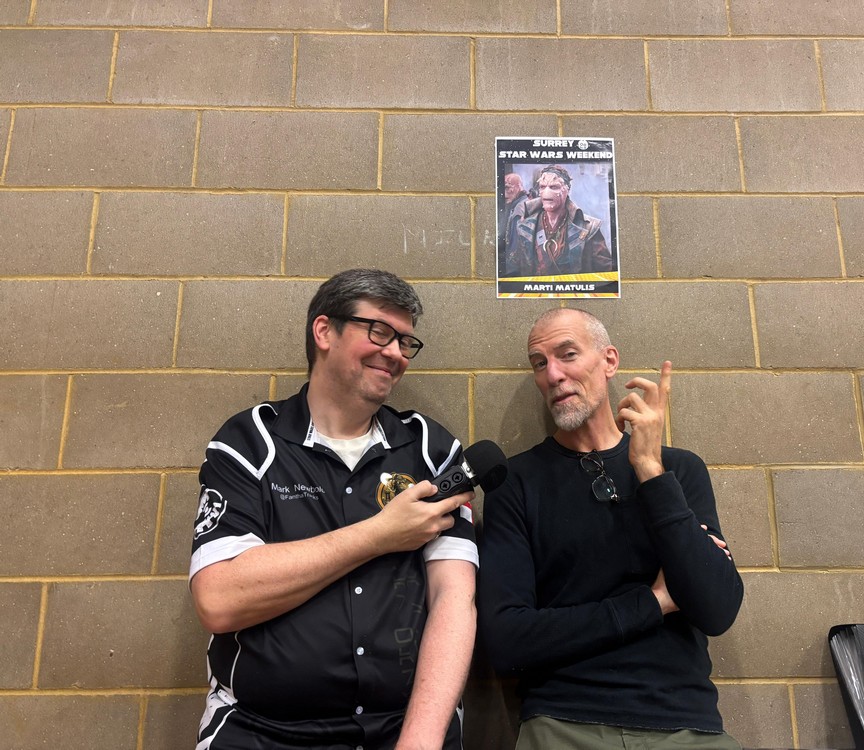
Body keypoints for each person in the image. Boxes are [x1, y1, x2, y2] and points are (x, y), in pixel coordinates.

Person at [190, 269, 478, 750]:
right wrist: (380, 534)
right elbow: (219, 600)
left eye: (405, 341)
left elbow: (454, 597)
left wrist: (420, 740)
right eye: (379, 332)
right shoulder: (249, 443)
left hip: (404, 729)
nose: (395, 353)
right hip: (263, 732)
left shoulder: (432, 450)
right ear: (324, 331)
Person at [478, 308, 744, 749]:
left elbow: (716, 608)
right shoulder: (516, 482)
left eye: (567, 354)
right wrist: (655, 601)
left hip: (686, 724)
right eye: (540, 363)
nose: (553, 375)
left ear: (609, 361)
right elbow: (507, 642)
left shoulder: (679, 470)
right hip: (563, 723)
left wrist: (649, 469)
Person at [504, 165, 614, 278]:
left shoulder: (589, 228)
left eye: (554, 187)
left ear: (567, 190)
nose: (547, 192)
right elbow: (514, 270)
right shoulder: (525, 227)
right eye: (542, 186)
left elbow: (606, 274)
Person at [497, 172, 530, 274]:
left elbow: (515, 246)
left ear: (518, 187)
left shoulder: (520, 208)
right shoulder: (521, 204)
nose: (504, 193)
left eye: (507, 188)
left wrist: (509, 269)